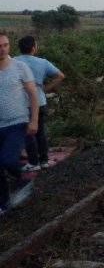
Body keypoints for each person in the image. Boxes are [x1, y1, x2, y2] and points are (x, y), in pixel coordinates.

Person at [0, 31, 39, 215]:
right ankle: (3, 205)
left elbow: (33, 94)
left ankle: (25, 179)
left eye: (5, 45)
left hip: (16, 122)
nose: (2, 49)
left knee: (7, 159)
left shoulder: (20, 67)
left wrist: (34, 120)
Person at [15, 36, 65, 171]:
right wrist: (46, 88)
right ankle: (43, 161)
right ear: (33, 48)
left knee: (27, 133)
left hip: (22, 103)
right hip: (40, 101)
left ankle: (33, 163)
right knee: (40, 132)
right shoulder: (43, 62)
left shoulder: (14, 62)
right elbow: (60, 76)